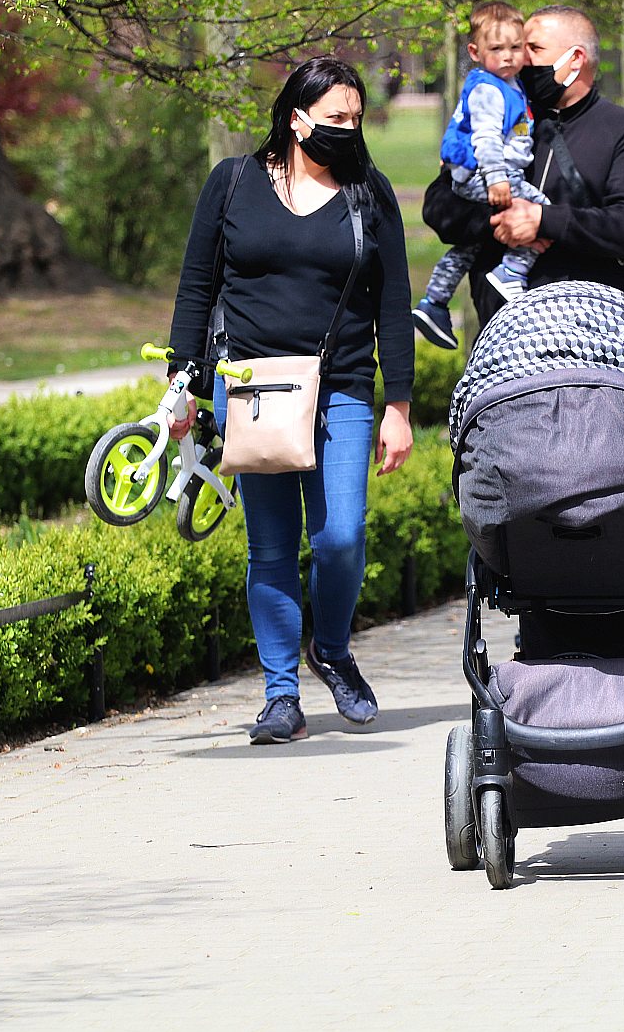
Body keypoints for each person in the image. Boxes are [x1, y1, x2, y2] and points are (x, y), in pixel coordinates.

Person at [166, 56, 415, 745]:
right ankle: (280, 695)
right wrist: (183, 381)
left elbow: (393, 301)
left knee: (341, 537)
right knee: (270, 547)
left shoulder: (371, 193)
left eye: (355, 119)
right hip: (252, 388)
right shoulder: (233, 183)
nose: (347, 129)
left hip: (339, 388)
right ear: (295, 116)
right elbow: (195, 286)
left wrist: (399, 404)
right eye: (335, 117)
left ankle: (330, 647)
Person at [421, 4, 624, 327]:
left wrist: (543, 220)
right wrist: (497, 218)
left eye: (532, 48)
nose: (521, 59)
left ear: (575, 59)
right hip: (501, 334)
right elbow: (438, 208)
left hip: (594, 332)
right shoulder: (502, 117)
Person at [412, 1, 549, 351]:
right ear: (475, 51)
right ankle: (513, 271)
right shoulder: (489, 89)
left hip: (481, 173)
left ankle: (434, 302)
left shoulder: (508, 83)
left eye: (516, 48)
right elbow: (486, 139)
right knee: (546, 212)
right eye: (497, 49)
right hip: (486, 173)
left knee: (470, 245)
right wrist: (497, 179)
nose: (508, 56)